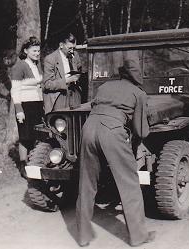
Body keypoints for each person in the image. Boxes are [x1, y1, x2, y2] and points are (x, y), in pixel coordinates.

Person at [75, 52, 155, 247]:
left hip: (88, 129)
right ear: (137, 77)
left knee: (86, 183)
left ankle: (83, 236)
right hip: (112, 133)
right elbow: (141, 131)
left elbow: (96, 107)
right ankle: (138, 236)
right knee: (129, 184)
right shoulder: (139, 93)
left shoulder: (104, 86)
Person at [10, 36, 44, 178]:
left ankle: (33, 163)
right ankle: (23, 166)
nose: (37, 53)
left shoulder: (37, 65)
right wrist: (19, 110)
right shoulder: (20, 66)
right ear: (26, 51)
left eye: (38, 50)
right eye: (34, 50)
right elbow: (15, 90)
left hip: (37, 104)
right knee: (25, 136)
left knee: (36, 134)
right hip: (25, 105)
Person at [42, 33, 82, 113]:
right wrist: (67, 80)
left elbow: (79, 70)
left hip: (75, 95)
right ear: (61, 45)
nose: (72, 51)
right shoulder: (50, 59)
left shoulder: (75, 55)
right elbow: (47, 84)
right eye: (69, 48)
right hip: (59, 96)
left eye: (74, 48)